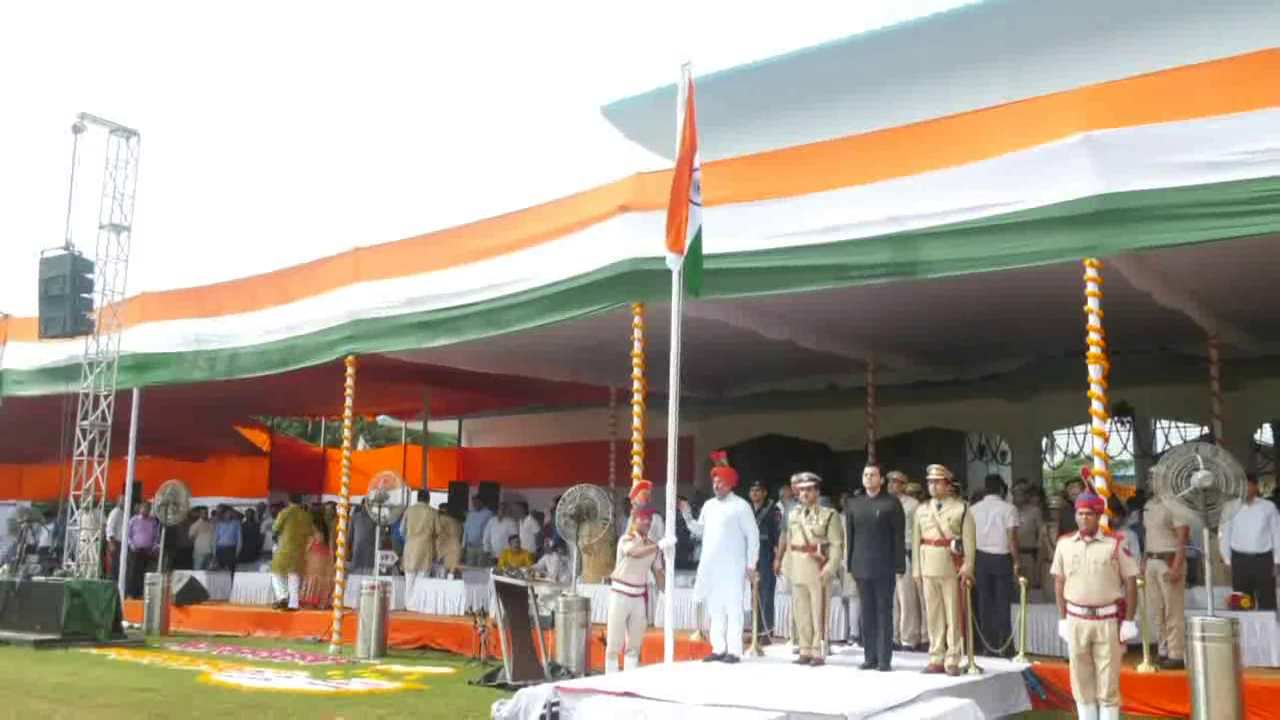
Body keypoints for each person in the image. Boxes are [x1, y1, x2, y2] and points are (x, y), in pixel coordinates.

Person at [1052, 491, 1139, 720]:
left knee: (1108, 678)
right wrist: (1062, 619)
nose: (1083, 519)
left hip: (1107, 620)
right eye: (1080, 514)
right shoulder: (1064, 544)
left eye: (1089, 514)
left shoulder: (1115, 544)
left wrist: (1128, 621)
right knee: (1080, 678)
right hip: (1076, 619)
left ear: (1099, 516)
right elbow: (1059, 583)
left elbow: (1131, 582)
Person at [679, 452, 759, 664]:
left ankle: (733, 651)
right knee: (715, 608)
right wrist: (687, 516)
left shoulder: (741, 506)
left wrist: (751, 564)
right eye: (714, 482)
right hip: (712, 567)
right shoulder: (709, 506)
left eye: (721, 482)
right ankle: (718, 647)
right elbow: (699, 531)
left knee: (733, 608)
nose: (716, 486)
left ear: (730, 484)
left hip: (734, 567)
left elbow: (753, 536)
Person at [774, 472, 843, 666]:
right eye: (802, 489)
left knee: (818, 611)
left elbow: (837, 544)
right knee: (801, 610)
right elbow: (788, 540)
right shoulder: (794, 514)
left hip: (817, 567)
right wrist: (783, 562)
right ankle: (804, 649)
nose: (804, 493)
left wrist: (831, 567)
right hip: (797, 565)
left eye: (809, 490)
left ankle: (818, 650)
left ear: (817, 491)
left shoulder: (829, 515)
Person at [913, 464, 976, 676]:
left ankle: (953, 657)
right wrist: (916, 569)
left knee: (953, 613)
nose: (933, 486)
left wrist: (969, 564)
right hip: (928, 563)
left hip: (951, 564)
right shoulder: (921, 509)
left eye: (937, 482)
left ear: (948, 484)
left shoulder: (961, 508)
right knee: (932, 614)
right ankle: (936, 655)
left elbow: (968, 540)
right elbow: (916, 542)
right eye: (930, 482)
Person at [848, 464, 906, 671]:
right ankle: (869, 656)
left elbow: (898, 536)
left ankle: (883, 659)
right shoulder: (854, 504)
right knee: (867, 612)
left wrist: (900, 565)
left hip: (884, 565)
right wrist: (850, 564)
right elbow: (851, 536)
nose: (869, 478)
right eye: (865, 474)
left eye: (873, 475)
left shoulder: (891, 503)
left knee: (883, 611)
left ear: (881, 480)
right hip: (861, 565)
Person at [606, 506, 664, 673]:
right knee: (614, 641)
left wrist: (665, 593)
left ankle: (629, 679)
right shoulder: (627, 539)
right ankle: (610, 681)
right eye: (643, 518)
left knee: (635, 643)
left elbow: (658, 571)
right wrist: (658, 546)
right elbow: (634, 553)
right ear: (635, 520)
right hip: (620, 595)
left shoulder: (653, 546)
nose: (647, 522)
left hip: (638, 597)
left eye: (649, 519)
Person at [1142, 470, 1189, 669]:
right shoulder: (1149, 506)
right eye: (1151, 479)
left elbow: (1183, 537)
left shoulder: (1176, 504)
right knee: (1156, 610)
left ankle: (1176, 652)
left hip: (1169, 559)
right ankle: (1163, 649)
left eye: (1158, 478)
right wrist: (1143, 560)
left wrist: (1177, 565)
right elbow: (1147, 535)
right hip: (1151, 559)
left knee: (1173, 609)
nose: (1153, 482)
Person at [971, 474, 1020, 657]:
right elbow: (1012, 538)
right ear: (1001, 489)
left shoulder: (973, 509)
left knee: (984, 604)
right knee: (1002, 604)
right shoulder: (1009, 509)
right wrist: (1016, 561)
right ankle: (1005, 646)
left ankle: (987, 645)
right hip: (1001, 558)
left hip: (980, 558)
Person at [1219, 473, 1280, 611]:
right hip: (1239, 560)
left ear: (1255, 486)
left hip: (1264, 560)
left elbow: (1277, 534)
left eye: (1248, 485)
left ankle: (1270, 631)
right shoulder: (1229, 507)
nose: (1245, 489)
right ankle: (1243, 631)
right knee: (1241, 601)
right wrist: (1227, 560)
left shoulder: (1268, 507)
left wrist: (1277, 561)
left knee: (1267, 600)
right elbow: (1224, 535)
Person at [888, 472, 924, 650]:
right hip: (887, 552)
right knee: (891, 598)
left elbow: (919, 530)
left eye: (896, 482)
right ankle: (893, 636)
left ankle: (909, 637)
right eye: (890, 482)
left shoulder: (913, 504)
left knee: (907, 597)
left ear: (903, 485)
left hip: (905, 550)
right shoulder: (885, 502)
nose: (892, 485)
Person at [748, 479, 781, 643]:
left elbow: (777, 537)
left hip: (766, 555)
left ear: (765, 493)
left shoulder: (772, 510)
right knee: (753, 595)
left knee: (766, 594)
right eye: (752, 490)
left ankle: (766, 633)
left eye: (758, 490)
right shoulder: (747, 510)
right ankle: (755, 631)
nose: (755, 493)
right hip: (751, 556)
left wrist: (777, 558)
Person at [271, 495, 314, 611]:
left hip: (285, 549)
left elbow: (275, 528)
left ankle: (283, 596)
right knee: (294, 576)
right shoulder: (307, 515)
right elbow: (311, 535)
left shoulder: (285, 513)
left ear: (289, 500)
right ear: (301, 501)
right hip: (300, 550)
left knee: (275, 573)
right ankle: (293, 604)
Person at [401, 491, 440, 595]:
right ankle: (417, 606)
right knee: (422, 581)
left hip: (410, 548)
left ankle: (408, 605)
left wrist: (410, 539)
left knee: (409, 580)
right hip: (426, 549)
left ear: (418, 498)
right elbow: (438, 532)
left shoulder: (409, 510)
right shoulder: (433, 512)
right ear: (428, 499)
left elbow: (401, 530)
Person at [126, 501, 160, 599]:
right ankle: (131, 594)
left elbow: (156, 536)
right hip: (135, 550)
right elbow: (128, 535)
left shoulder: (153, 522)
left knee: (144, 574)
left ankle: (141, 594)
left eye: (147, 508)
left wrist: (154, 547)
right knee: (133, 573)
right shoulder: (133, 520)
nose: (145, 510)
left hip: (147, 551)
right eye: (144, 508)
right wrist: (132, 546)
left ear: (150, 510)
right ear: (140, 508)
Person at [300, 527, 335, 609]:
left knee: (316, 581)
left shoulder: (313, 541)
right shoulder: (323, 542)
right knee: (319, 581)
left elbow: (304, 552)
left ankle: (317, 602)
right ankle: (320, 602)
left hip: (317, 566)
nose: (319, 536)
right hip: (320, 565)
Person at [462, 496, 493, 567]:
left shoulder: (489, 513)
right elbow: (466, 531)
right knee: (469, 569)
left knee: (481, 570)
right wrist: (463, 545)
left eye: (476, 502)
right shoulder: (470, 514)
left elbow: (491, 530)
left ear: (481, 502)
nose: (475, 504)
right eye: (473, 503)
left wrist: (488, 547)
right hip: (470, 547)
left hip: (482, 547)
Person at [349, 498, 377, 574]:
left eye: (369, 504)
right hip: (357, 553)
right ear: (361, 505)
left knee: (368, 579)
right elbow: (350, 535)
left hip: (370, 556)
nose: (366, 506)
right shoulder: (355, 517)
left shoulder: (375, 518)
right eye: (365, 504)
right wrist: (348, 551)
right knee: (356, 577)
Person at [436, 503, 463, 578]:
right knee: (451, 575)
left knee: (445, 575)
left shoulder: (442, 519)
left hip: (448, 550)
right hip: (455, 549)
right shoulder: (457, 522)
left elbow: (438, 535)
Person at [213, 506, 242, 573]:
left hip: (231, 549)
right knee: (219, 571)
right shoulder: (219, 523)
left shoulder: (236, 523)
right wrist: (214, 552)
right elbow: (215, 538)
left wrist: (237, 551)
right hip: (220, 549)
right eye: (227, 512)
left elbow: (239, 538)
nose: (229, 514)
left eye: (230, 512)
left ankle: (230, 583)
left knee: (231, 571)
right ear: (223, 513)